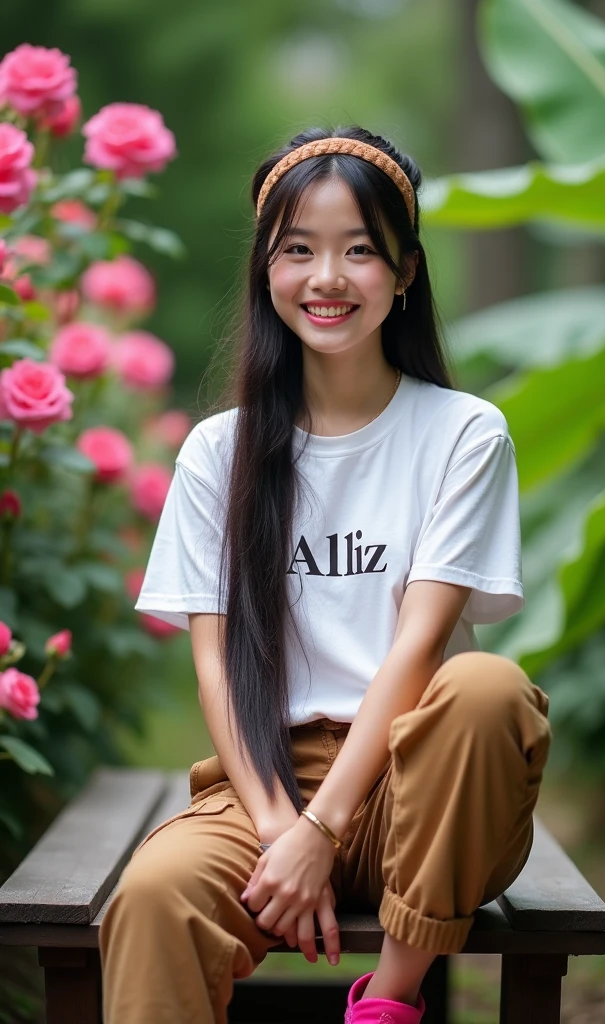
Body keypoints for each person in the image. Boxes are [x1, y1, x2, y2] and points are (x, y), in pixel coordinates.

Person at [98, 124, 552, 1024]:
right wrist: (279, 828)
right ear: (267, 269)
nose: (327, 279)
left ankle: (387, 1002)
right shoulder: (216, 452)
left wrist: (324, 829)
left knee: (485, 689)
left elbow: (421, 647)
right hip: (266, 778)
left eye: (359, 252)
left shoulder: (463, 434)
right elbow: (217, 665)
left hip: (424, 787)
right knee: (155, 894)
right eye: (297, 250)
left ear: (407, 271)